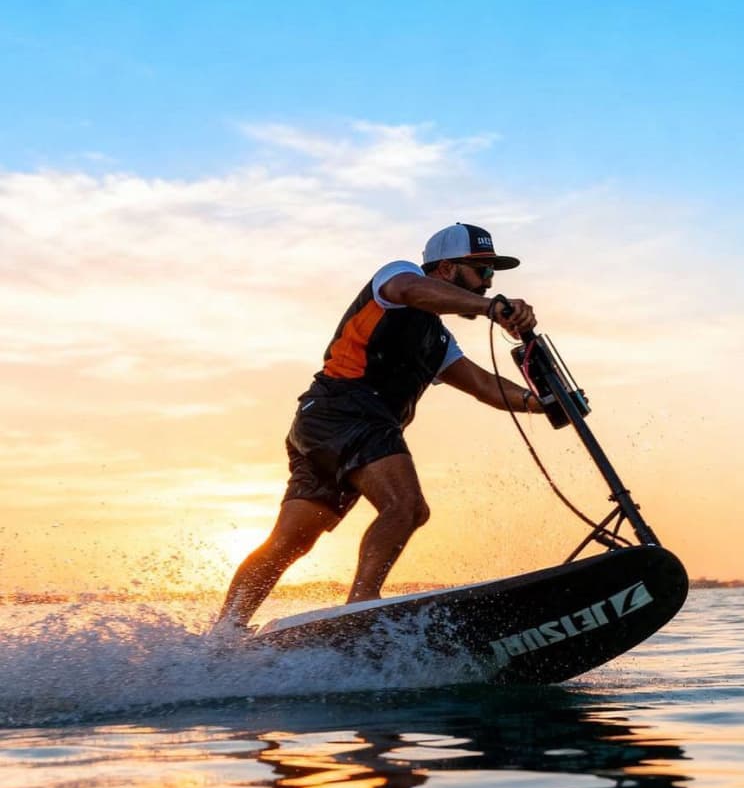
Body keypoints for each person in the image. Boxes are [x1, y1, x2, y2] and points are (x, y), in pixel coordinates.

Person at [213, 222, 543, 636]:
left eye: (493, 275)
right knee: (406, 507)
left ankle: (224, 635)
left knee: (293, 540)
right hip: (345, 410)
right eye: (483, 272)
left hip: (323, 425)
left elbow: (484, 386)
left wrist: (542, 403)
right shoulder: (398, 279)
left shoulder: (438, 342)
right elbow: (411, 290)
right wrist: (491, 308)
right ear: (445, 269)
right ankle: (361, 606)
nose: (487, 283)